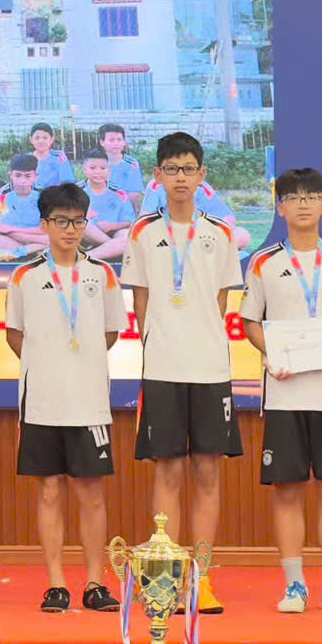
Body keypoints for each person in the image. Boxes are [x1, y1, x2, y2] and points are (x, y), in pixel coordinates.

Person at [240, 167, 322, 615]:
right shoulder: (263, 262)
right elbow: (250, 322)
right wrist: (270, 354)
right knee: (287, 489)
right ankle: (294, 585)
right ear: (280, 208)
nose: (303, 204)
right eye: (294, 197)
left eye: (311, 196)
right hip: (285, 394)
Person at [120, 132, 244, 615]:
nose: (180, 178)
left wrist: (197, 339)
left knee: (208, 472)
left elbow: (220, 302)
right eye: (171, 169)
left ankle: (203, 578)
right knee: (167, 470)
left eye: (188, 169)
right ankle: (165, 578)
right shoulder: (142, 234)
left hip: (210, 369)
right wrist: (163, 344)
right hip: (163, 369)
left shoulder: (220, 234)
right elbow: (141, 301)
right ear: (157, 175)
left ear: (202, 175)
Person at [5, 183, 125, 613]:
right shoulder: (25, 275)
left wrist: (79, 364)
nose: (70, 230)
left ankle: (95, 583)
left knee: (91, 493)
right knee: (50, 491)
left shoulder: (102, 274)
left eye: (77, 221)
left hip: (88, 402)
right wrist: (50, 365)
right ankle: (56, 583)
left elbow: (110, 332)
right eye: (61, 221)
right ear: (44, 225)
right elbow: (15, 335)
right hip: (42, 402)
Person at [0, 153, 49, 261]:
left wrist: (21, 234)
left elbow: (47, 228)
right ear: (10, 175)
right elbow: (4, 227)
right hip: (14, 237)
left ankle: (18, 251)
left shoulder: (44, 194)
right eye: (18, 175)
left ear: (35, 176)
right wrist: (14, 232)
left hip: (35, 234)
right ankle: (31, 251)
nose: (23, 180)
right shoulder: (3, 194)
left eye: (28, 176)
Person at [77, 147, 134, 260]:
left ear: (109, 170)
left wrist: (112, 226)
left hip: (114, 233)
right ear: (84, 170)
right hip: (84, 236)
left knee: (128, 235)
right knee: (80, 222)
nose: (98, 172)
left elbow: (129, 222)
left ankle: (86, 258)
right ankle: (114, 249)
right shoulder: (75, 190)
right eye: (92, 168)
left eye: (103, 168)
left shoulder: (119, 192)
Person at [98, 122, 145, 209]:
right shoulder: (96, 163)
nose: (116, 143)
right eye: (111, 140)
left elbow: (134, 193)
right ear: (102, 142)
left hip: (125, 208)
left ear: (124, 142)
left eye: (119, 140)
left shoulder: (131, 164)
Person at [29, 122, 73, 189]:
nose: (41, 141)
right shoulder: (26, 159)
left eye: (45, 138)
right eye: (37, 138)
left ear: (52, 139)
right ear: (31, 140)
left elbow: (68, 181)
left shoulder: (59, 156)